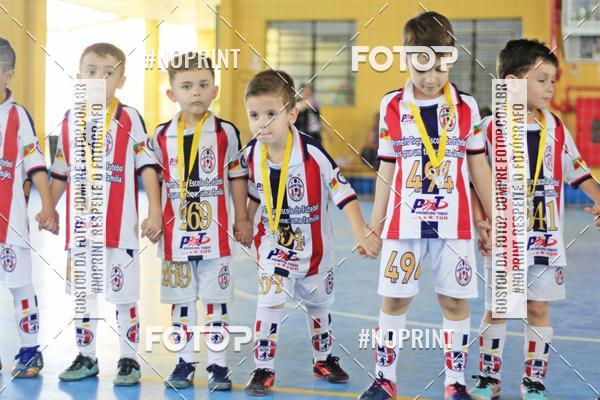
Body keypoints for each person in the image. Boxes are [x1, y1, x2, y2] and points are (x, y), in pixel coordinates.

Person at [358, 11, 494, 400]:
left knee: (454, 300)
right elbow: (387, 167)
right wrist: (374, 223)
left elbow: (478, 167)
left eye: (439, 67)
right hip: (404, 224)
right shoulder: (392, 105)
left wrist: (494, 219)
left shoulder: (467, 107)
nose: (430, 77)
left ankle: (456, 382)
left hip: (454, 224)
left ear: (450, 59)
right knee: (395, 298)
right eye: (421, 67)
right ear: (406, 58)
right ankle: (384, 379)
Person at [469, 39, 600, 400]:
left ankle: (533, 381)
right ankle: (488, 378)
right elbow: (472, 181)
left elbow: (578, 171)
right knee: (499, 309)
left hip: (546, 237)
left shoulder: (556, 128)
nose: (550, 88)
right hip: (506, 239)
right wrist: (481, 221)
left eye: (553, 81)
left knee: (538, 307)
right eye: (542, 80)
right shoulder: (487, 129)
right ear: (512, 83)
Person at [242, 69, 381, 396]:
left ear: (292, 114)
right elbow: (252, 193)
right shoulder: (251, 153)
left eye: (271, 113)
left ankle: (323, 358)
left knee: (318, 304)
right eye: (254, 115)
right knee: (270, 300)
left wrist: (360, 230)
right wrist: (245, 220)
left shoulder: (312, 152)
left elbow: (343, 191)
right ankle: (263, 366)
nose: (262, 123)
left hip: (314, 248)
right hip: (273, 243)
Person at [50, 42, 162, 385]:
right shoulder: (69, 119)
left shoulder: (128, 118)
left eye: (108, 73)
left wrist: (154, 210)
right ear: (78, 77)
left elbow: (147, 166)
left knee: (125, 297)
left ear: (121, 81)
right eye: (91, 72)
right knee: (82, 297)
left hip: (119, 230)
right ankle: (86, 356)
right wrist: (48, 208)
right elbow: (60, 171)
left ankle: (129, 359)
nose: (99, 79)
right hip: (80, 232)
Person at [151, 52, 251, 390]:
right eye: (187, 86)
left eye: (203, 85)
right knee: (180, 303)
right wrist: (154, 214)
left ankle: (219, 366)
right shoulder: (160, 135)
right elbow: (153, 179)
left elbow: (237, 176)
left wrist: (242, 217)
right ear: (172, 94)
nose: (196, 92)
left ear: (215, 90)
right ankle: (183, 362)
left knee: (216, 302)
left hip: (215, 236)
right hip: (175, 237)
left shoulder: (226, 132)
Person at [0, 37, 59, 378]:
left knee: (19, 283)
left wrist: (48, 206)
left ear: (8, 75)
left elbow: (36, 164)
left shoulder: (18, 116)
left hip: (10, 223)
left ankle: (29, 351)